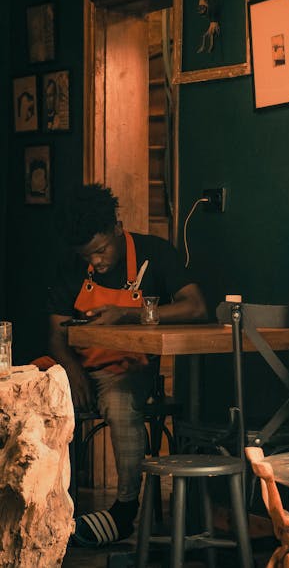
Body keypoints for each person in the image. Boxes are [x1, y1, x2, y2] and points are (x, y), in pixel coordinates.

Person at [47, 183, 207, 547]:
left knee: (120, 404)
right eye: (87, 256)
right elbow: (56, 335)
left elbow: (196, 306)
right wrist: (73, 374)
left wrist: (128, 315)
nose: (96, 263)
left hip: (128, 367)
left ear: (118, 227)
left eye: (101, 251)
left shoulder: (155, 252)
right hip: (75, 366)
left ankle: (124, 510)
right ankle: (48, 512)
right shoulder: (71, 267)